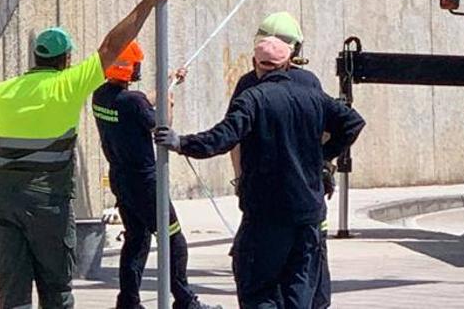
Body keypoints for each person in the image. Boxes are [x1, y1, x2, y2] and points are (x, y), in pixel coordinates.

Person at [0, 0, 169, 309]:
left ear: (37, 57)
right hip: (48, 202)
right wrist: (146, 3)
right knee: (56, 289)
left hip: (4, 198)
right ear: (66, 58)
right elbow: (112, 45)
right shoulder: (69, 85)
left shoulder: (1, 92)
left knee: (12, 292)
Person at [156, 36, 365, 309]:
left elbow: (223, 137)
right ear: (288, 63)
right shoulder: (313, 96)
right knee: (299, 293)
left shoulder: (253, 98)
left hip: (267, 216)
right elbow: (353, 122)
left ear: (256, 64)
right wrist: (322, 156)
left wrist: (182, 143)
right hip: (307, 217)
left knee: (259, 291)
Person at [91, 41, 221, 309]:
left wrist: (169, 81)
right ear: (130, 69)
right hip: (145, 183)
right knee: (174, 239)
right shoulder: (133, 102)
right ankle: (184, 300)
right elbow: (163, 129)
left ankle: (127, 301)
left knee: (136, 239)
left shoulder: (101, 96)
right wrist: (169, 103)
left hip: (121, 179)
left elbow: (139, 105)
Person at [227, 12, 333, 309]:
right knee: (307, 273)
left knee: (259, 276)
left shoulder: (248, 85)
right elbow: (328, 130)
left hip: (264, 199)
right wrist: (320, 165)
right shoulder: (309, 83)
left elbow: (235, 138)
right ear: (294, 50)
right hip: (306, 199)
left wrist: (240, 179)